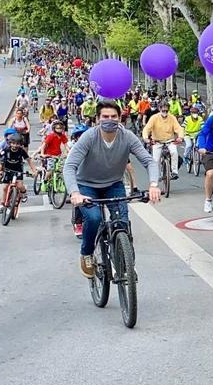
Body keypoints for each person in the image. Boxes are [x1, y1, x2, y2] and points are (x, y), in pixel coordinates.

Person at [64, 100, 161, 278]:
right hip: (87, 185)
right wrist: (75, 192)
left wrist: (154, 185)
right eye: (105, 117)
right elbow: (69, 166)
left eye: (114, 117)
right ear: (97, 119)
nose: (110, 120)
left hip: (114, 184)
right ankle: (86, 253)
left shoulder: (128, 137)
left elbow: (148, 161)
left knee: (122, 223)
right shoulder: (89, 137)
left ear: (120, 119)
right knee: (93, 219)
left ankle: (127, 264)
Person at [0, 133, 39, 213]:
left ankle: (23, 193)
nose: (15, 145)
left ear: (20, 144)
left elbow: (29, 160)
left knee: (20, 185)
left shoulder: (21, 151)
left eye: (17, 144)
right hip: (8, 170)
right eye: (13, 143)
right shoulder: (6, 150)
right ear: (9, 143)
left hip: (18, 170)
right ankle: (2, 204)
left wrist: (34, 170)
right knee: (5, 187)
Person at [142, 100, 184, 180]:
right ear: (159, 109)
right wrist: (146, 138)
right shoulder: (154, 118)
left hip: (170, 141)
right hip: (157, 142)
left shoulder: (172, 118)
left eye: (166, 110)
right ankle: (156, 175)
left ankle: (174, 172)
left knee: (174, 152)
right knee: (155, 159)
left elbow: (178, 128)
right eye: (163, 110)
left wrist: (180, 137)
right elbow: (147, 128)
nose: (165, 112)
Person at [36, 120, 69, 186]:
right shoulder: (51, 136)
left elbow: (66, 145)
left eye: (60, 128)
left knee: (61, 169)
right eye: (57, 128)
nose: (59, 130)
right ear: (54, 128)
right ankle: (45, 181)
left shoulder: (62, 136)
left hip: (58, 155)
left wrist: (69, 152)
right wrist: (42, 154)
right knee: (50, 170)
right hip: (50, 155)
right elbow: (44, 145)